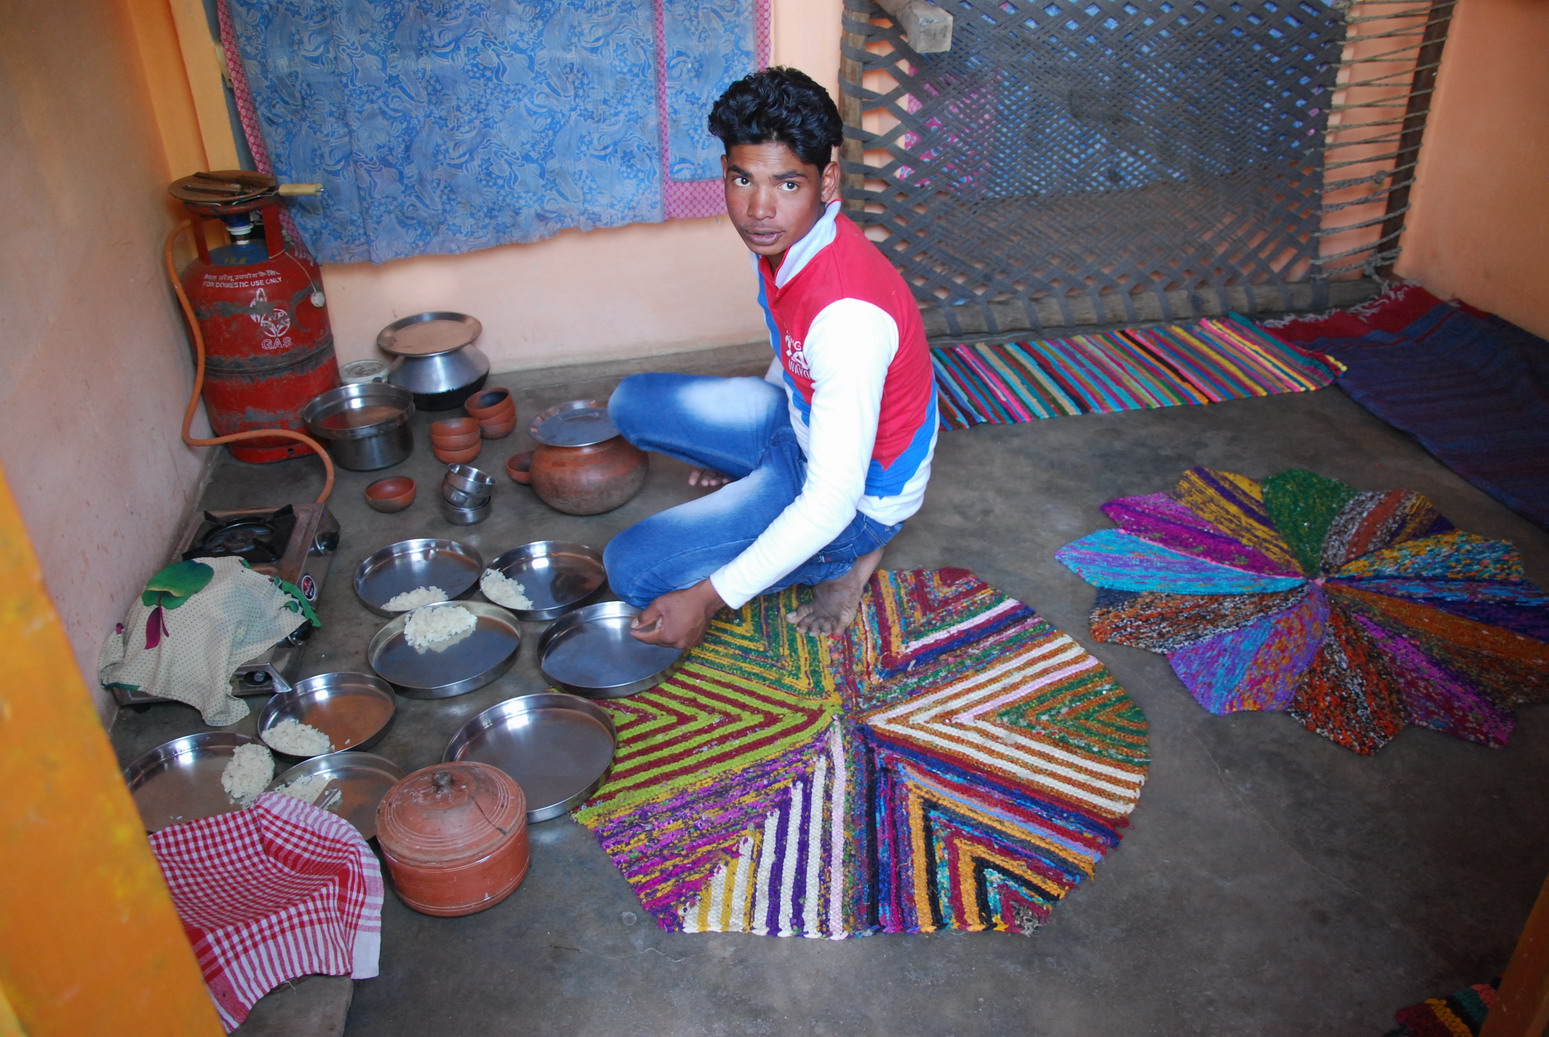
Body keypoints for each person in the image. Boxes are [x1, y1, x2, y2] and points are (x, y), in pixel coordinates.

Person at [605, 66, 937, 651]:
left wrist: (705, 599)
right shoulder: (789, 243)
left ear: (826, 181)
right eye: (742, 179)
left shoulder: (848, 320)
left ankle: (847, 561)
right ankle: (761, 480)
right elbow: (791, 349)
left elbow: (831, 499)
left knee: (633, 571)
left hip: (858, 497)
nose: (759, 208)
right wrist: (739, 448)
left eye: (787, 184)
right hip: (800, 426)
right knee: (629, 402)